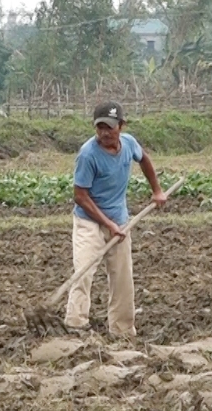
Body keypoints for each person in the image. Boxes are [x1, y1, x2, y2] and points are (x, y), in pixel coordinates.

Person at [65, 102, 166, 336]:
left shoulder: (129, 143)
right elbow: (80, 196)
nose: (105, 133)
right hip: (88, 222)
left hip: (120, 220)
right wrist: (107, 224)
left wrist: (157, 190)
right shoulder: (88, 155)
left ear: (121, 126)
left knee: (122, 277)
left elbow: (144, 159)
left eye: (110, 127)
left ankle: (122, 329)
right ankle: (76, 323)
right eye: (100, 127)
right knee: (84, 271)